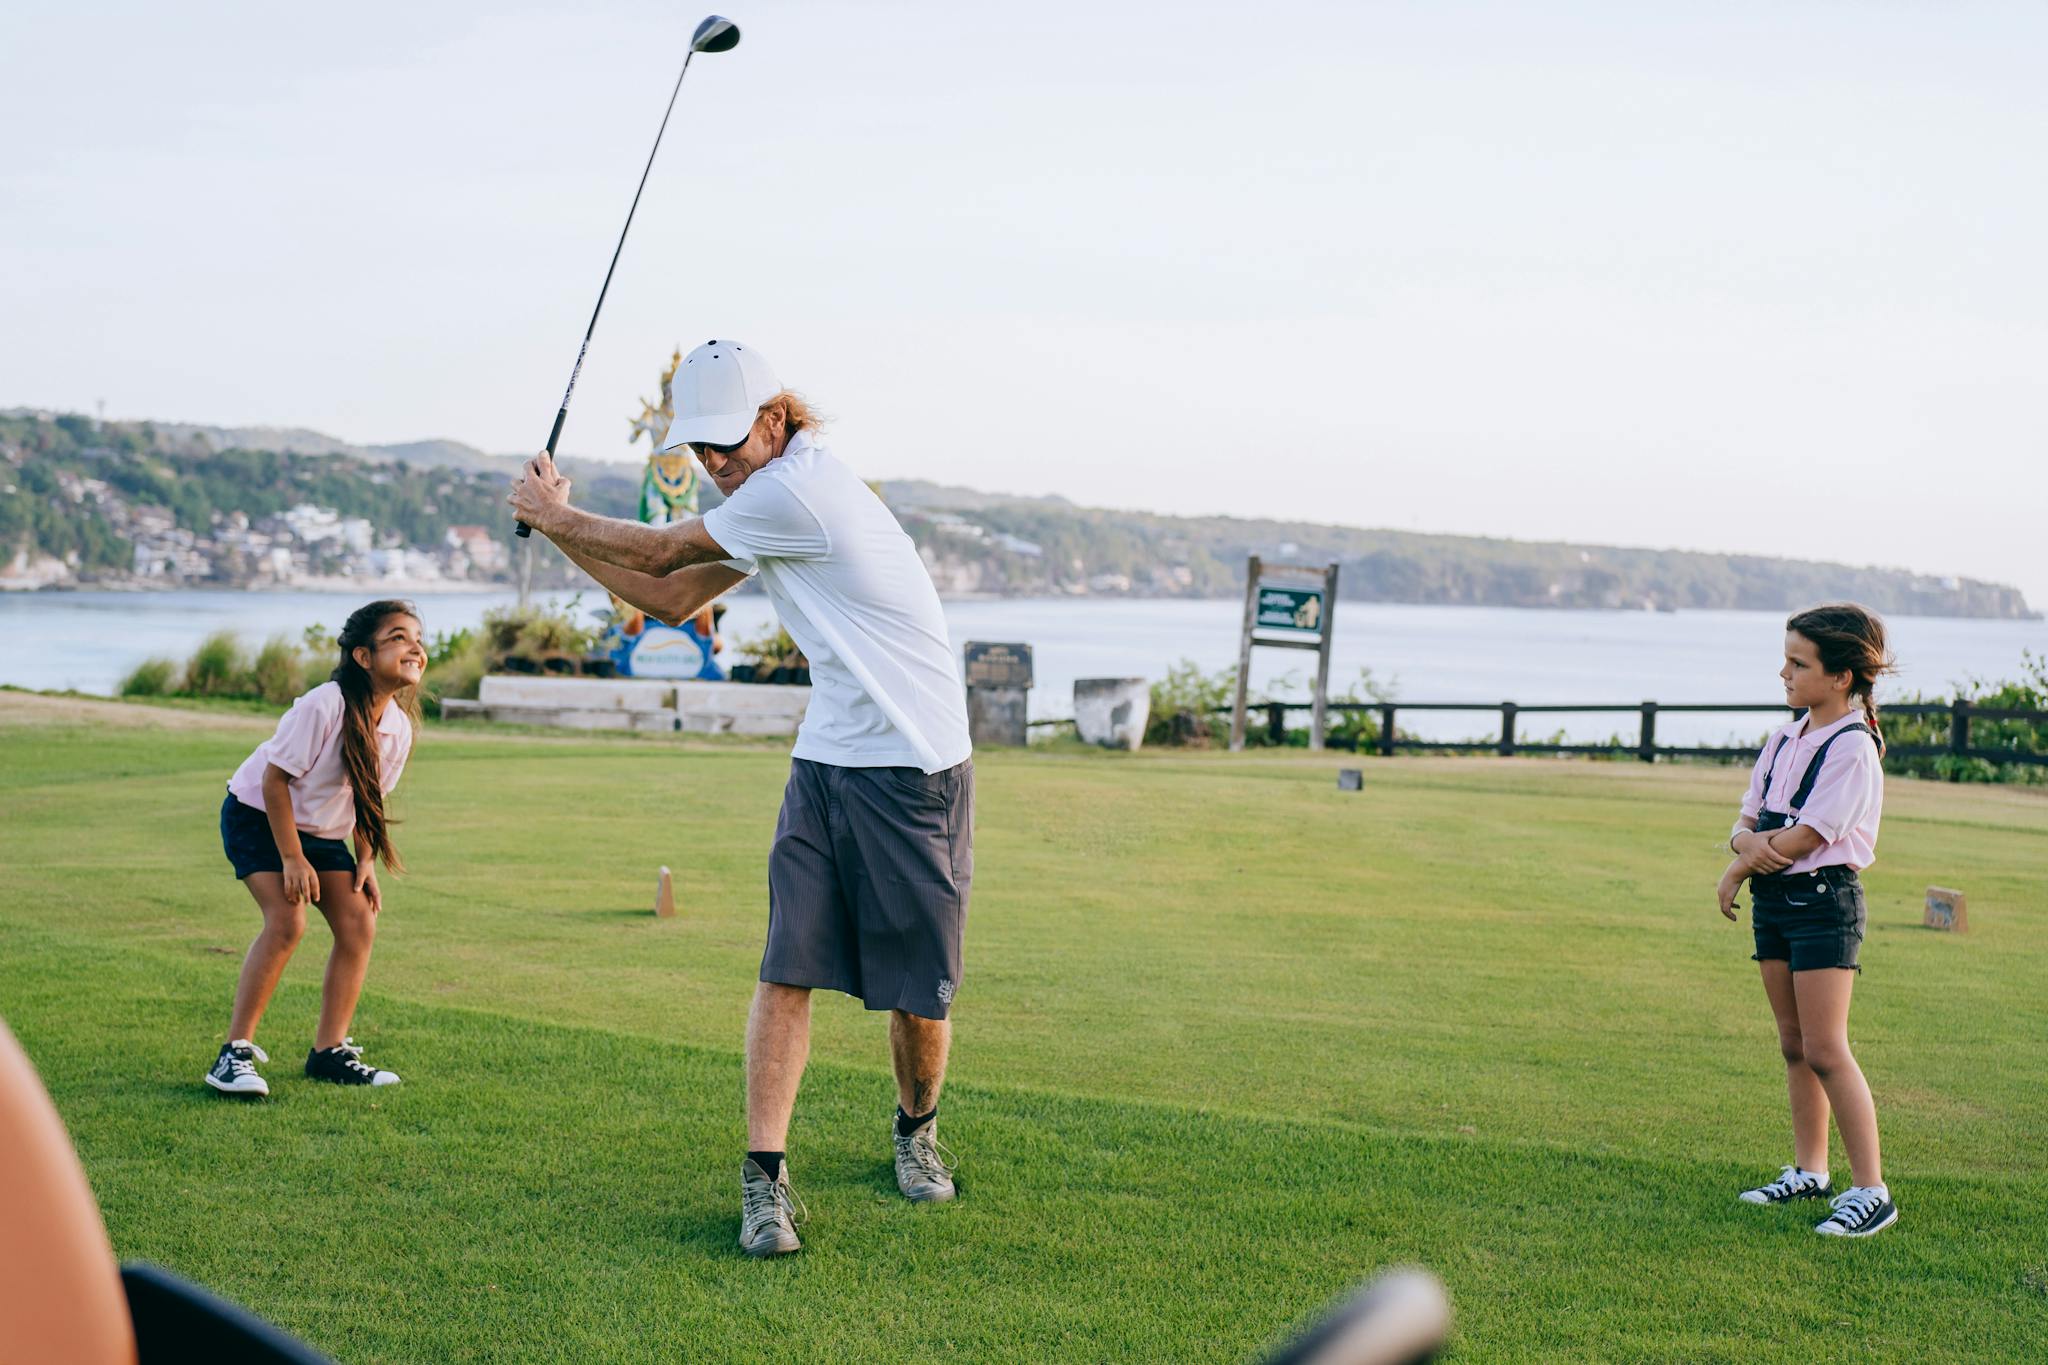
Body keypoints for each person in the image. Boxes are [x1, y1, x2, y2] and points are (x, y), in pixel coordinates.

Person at [509, 339, 974, 1258]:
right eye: (700, 450)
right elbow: (670, 596)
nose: (714, 463)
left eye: (728, 442)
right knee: (785, 968)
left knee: (918, 994)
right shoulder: (763, 501)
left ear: (776, 417)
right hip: (827, 757)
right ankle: (765, 1184)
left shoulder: (798, 489)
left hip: (915, 763)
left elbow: (661, 544)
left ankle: (915, 1131)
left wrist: (555, 510)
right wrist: (559, 528)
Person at [1716, 603, 1897, 1237]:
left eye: (1799, 663)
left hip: (1823, 902)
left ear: (1842, 676)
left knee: (1825, 1047)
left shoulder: (1852, 749)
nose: (1785, 673)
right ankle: (1810, 1172)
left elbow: (1810, 835)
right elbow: (1749, 819)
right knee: (1793, 1044)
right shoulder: (1784, 739)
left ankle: (1871, 1190)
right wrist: (1741, 848)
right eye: (1786, 659)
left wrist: (1739, 867)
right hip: (1777, 904)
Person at [205, 600, 423, 1096]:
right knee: (288, 920)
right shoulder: (324, 703)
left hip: (322, 835)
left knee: (359, 920)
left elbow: (370, 799)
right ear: (364, 657)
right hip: (259, 816)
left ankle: (329, 1053)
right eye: (398, 637)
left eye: (418, 638)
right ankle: (232, 1054)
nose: (415, 646)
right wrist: (291, 858)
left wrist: (366, 861)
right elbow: (275, 779)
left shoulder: (398, 728)